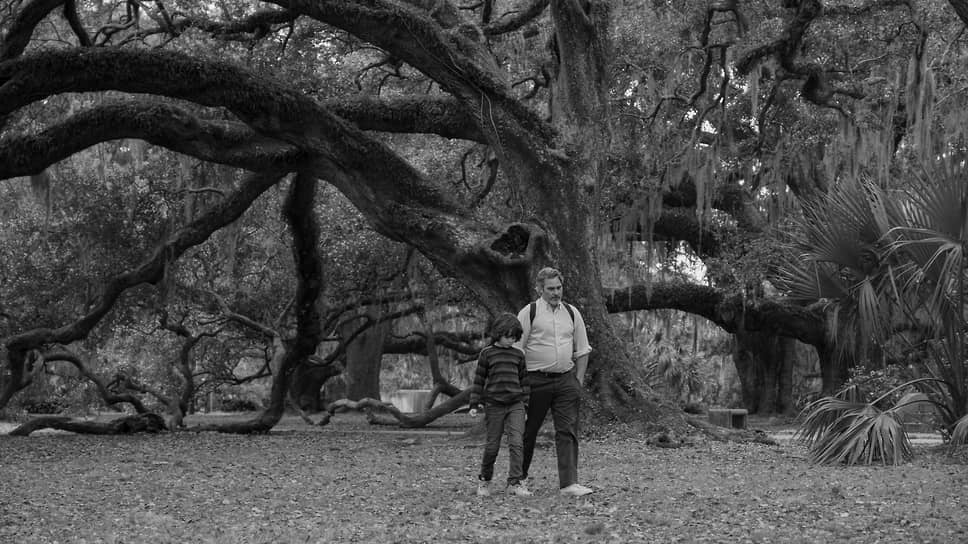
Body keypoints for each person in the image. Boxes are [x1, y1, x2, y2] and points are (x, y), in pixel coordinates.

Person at [515, 267, 594, 497]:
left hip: (566, 380)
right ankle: (517, 480)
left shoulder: (571, 312)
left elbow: (583, 349)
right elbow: (517, 350)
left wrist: (578, 381)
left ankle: (569, 483)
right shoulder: (529, 312)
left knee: (567, 430)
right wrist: (519, 384)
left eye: (559, 288)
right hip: (535, 380)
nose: (556, 293)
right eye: (550, 289)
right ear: (539, 289)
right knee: (528, 431)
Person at [468, 312, 532, 497]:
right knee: (492, 446)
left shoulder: (518, 355)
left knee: (517, 443)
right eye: (508, 336)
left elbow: (524, 383)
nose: (511, 340)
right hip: (494, 405)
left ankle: (515, 482)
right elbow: (479, 381)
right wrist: (474, 404)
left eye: (514, 337)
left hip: (516, 405)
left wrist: (525, 406)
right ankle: (485, 480)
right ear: (498, 333)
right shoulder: (487, 354)